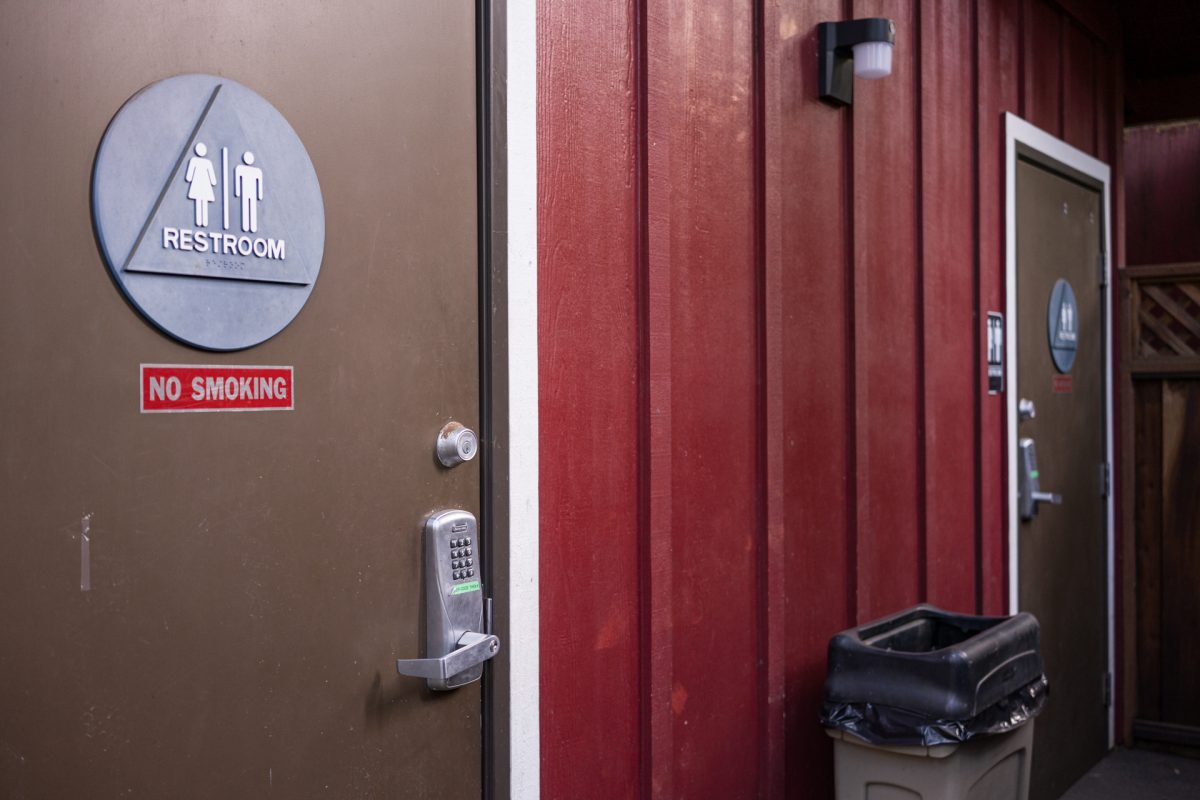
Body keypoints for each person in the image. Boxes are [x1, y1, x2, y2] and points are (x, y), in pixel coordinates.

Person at [184, 142, 217, 227]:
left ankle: (200, 222)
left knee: (200, 201)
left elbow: (189, 176)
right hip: (203, 185)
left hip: (198, 184)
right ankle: (202, 222)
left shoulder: (195, 161)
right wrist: (213, 182)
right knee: (202, 202)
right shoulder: (206, 162)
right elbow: (212, 178)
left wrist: (189, 178)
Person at [235, 151, 264, 233]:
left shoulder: (257, 171)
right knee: (245, 207)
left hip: (252, 193)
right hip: (244, 192)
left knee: (252, 208)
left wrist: (259, 195)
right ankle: (245, 226)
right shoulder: (240, 169)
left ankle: (253, 227)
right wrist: (237, 192)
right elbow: (237, 181)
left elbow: (259, 183)